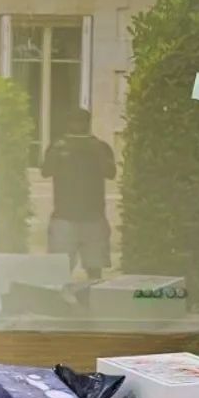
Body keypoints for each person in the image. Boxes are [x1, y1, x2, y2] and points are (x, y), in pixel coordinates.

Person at [41, 108, 116, 280]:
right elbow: (46, 171)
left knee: (95, 270)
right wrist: (57, 151)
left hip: (94, 217)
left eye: (82, 121)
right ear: (68, 124)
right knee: (59, 270)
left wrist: (96, 151)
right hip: (63, 217)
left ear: (88, 124)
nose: (78, 125)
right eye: (74, 121)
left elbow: (110, 173)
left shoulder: (100, 146)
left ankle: (91, 304)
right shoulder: (57, 145)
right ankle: (60, 305)